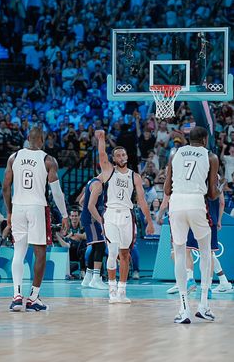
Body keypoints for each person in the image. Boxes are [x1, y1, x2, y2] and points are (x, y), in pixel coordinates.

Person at [2, 127, 69, 312]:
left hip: (18, 207)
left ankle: (16, 297)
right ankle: (33, 298)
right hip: (37, 207)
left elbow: (5, 187)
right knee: (40, 252)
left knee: (18, 251)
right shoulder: (48, 159)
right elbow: (56, 192)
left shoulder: (13, 158)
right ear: (43, 139)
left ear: (27, 139)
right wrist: (64, 215)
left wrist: (9, 212)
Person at [164, 126, 221, 324]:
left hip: (176, 202)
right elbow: (212, 194)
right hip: (197, 202)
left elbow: (166, 188)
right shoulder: (211, 156)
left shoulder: (175, 154)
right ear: (205, 140)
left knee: (179, 253)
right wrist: (220, 189)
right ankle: (203, 305)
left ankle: (183, 308)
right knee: (205, 252)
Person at [95, 129, 154, 304]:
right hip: (111, 215)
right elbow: (101, 153)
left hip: (127, 217)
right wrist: (102, 138)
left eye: (123, 155)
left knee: (125, 254)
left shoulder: (134, 176)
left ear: (127, 157)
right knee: (112, 252)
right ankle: (112, 289)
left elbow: (142, 200)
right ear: (114, 159)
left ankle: (122, 290)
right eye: (118, 155)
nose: (121, 157)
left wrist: (149, 221)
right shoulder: (108, 171)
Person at [80, 175, 108, 290]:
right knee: (100, 245)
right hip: (93, 219)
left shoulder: (91, 181)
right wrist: (100, 220)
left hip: (88, 218)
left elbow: (82, 201)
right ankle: (96, 279)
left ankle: (88, 277)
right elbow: (91, 206)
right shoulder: (98, 185)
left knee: (96, 246)